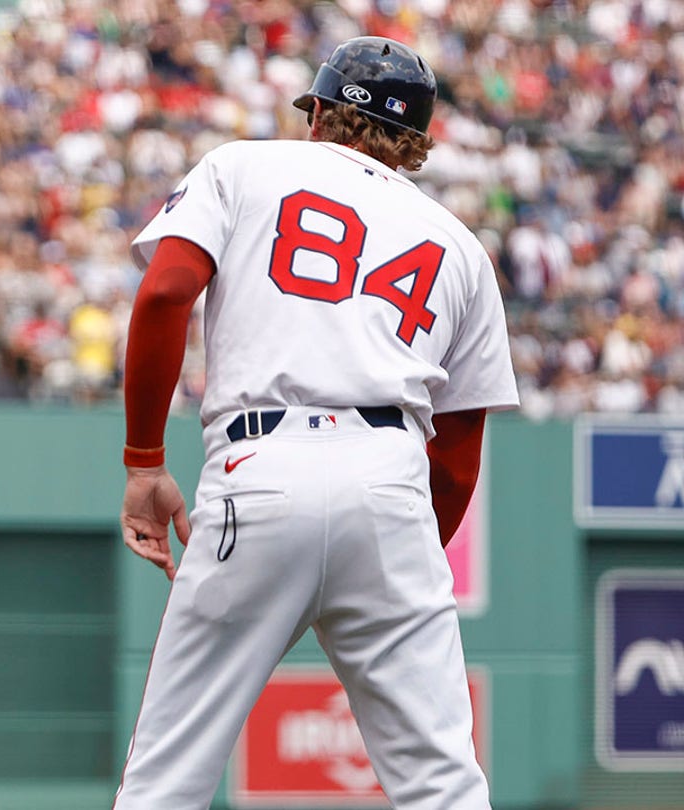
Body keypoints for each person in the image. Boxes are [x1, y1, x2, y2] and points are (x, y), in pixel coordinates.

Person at [114, 37, 518, 809]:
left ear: (324, 110)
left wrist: (143, 462)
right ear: (417, 142)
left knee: (165, 781)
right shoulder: (463, 249)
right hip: (393, 479)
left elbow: (166, 294)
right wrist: (394, 554)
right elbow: (460, 456)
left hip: (261, 465)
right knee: (445, 786)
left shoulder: (246, 166)